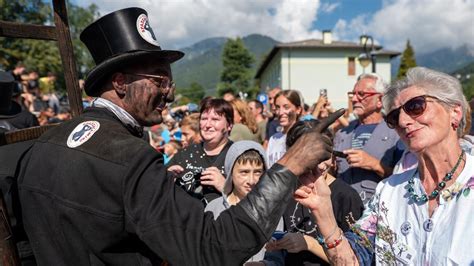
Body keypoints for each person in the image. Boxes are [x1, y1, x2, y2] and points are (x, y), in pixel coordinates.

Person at [2, 8, 344, 265]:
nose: (169, 93)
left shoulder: (44, 144)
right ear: (121, 82)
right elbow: (214, 247)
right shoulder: (132, 158)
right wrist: (291, 162)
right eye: (160, 80)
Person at [293, 67, 474, 265]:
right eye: (394, 117)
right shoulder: (388, 192)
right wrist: (324, 213)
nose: (403, 121)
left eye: (415, 106)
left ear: (454, 112)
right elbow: (353, 261)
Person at [266, 120, 364, 265]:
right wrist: (275, 244)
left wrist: (309, 244)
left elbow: (356, 258)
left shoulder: (346, 196)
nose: (320, 163)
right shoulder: (285, 191)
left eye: (325, 154)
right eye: (312, 156)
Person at [205, 140, 285, 265]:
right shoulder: (214, 208)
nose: (251, 180)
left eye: (258, 172)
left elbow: (278, 258)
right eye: (244, 172)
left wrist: (265, 264)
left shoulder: (273, 211)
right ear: (230, 172)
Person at [334, 73, 404, 203]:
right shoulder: (342, 133)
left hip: (378, 210)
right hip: (342, 209)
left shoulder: (396, 133)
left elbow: (406, 179)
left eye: (361, 94)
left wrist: (374, 165)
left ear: (380, 100)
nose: (354, 99)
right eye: (352, 94)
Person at [168, 98, 234, 204]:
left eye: (215, 119)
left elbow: (252, 200)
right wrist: (166, 178)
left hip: (221, 219)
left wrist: (225, 187)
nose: (207, 125)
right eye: (204, 119)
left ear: (229, 125)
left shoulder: (239, 155)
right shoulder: (184, 154)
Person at [267, 90, 303, 166]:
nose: (280, 112)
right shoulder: (273, 139)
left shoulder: (303, 137)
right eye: (277, 107)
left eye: (286, 107)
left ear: (298, 110)